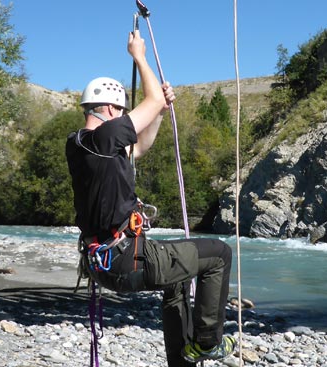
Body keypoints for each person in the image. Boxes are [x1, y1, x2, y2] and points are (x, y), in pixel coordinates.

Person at [65, 29, 236, 366]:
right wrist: (139, 56)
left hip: (105, 265)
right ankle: (206, 342)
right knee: (218, 253)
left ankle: (181, 358)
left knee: (177, 282)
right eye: (124, 111)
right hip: (128, 258)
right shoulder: (107, 135)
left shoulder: (81, 144)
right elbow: (152, 99)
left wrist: (157, 113)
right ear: (113, 109)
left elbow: (139, 147)